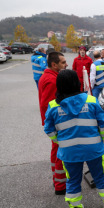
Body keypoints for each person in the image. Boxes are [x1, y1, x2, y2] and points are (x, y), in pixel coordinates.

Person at [44, 70, 104, 208]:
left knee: (72, 179)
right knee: (101, 175)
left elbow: (49, 130)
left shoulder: (53, 106)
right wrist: (100, 137)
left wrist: (59, 142)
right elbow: (103, 123)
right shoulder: (91, 100)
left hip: (68, 152)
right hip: (93, 149)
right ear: (76, 83)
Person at [38, 51, 68, 195]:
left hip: (54, 125)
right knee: (59, 154)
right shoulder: (52, 80)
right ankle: (60, 185)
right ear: (54, 64)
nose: (66, 64)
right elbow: (48, 106)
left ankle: (57, 178)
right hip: (57, 126)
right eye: (63, 62)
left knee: (56, 152)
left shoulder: (51, 76)